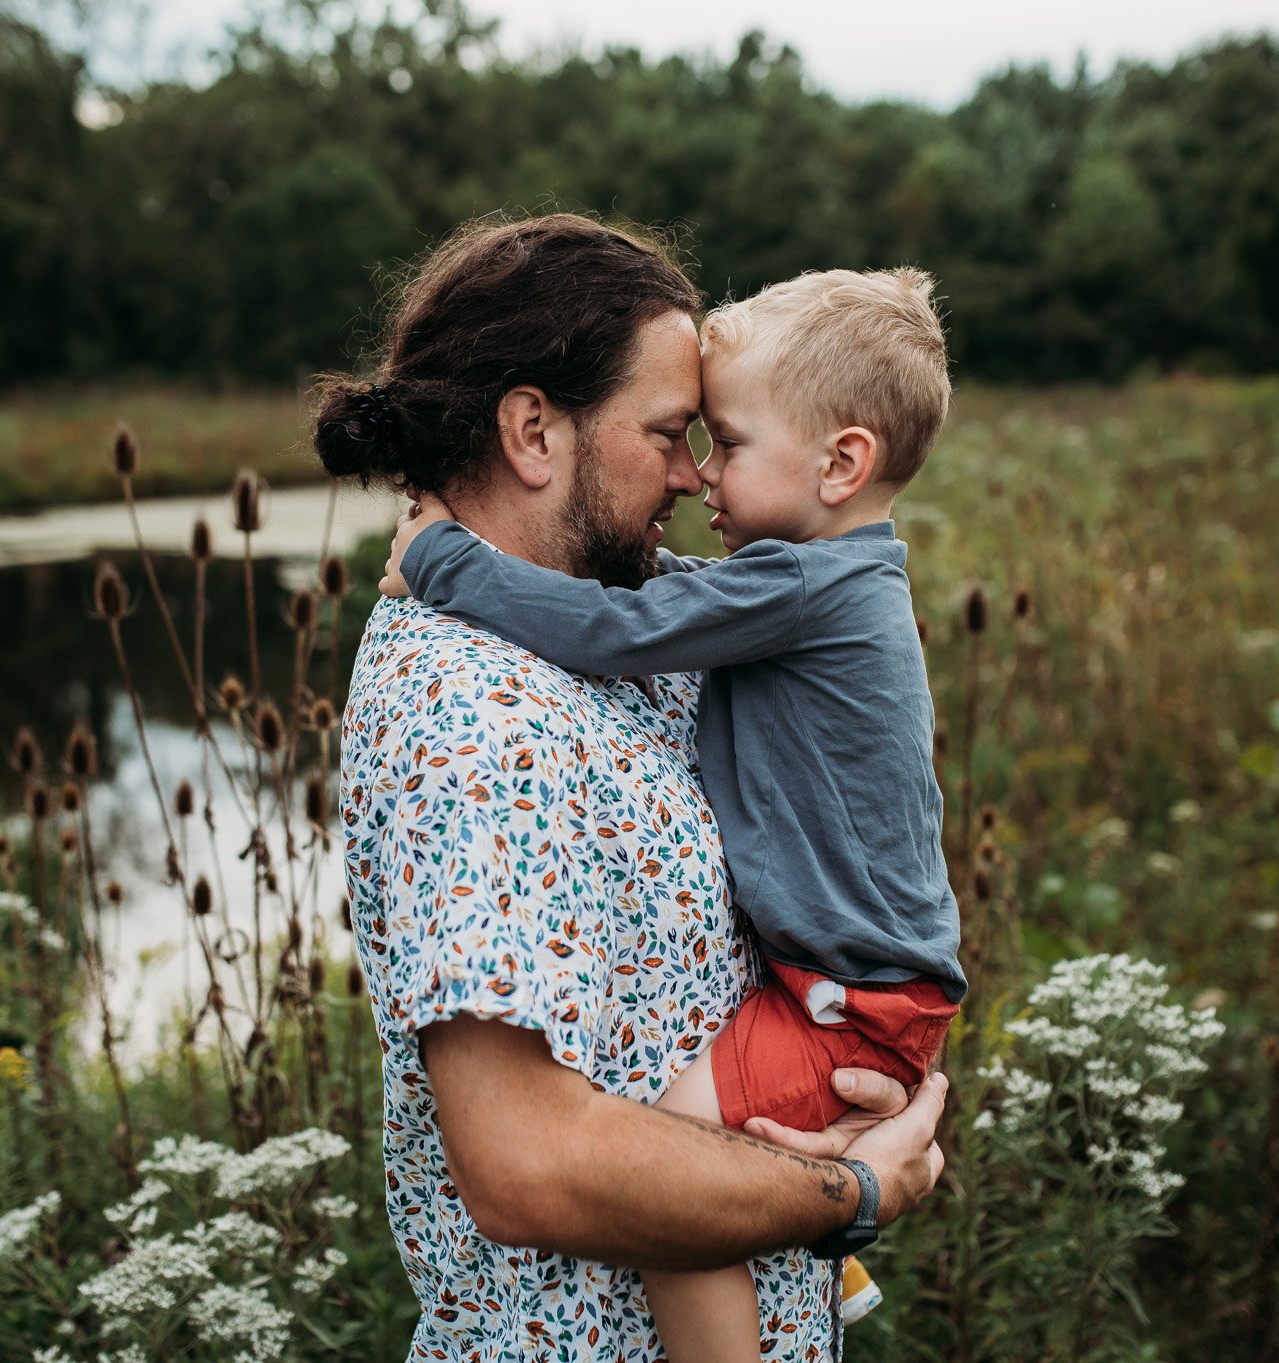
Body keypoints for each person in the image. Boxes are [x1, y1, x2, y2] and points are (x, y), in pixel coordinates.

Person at [316, 214, 950, 1360]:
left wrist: (867, 1076)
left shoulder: (635, 602)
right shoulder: (472, 720)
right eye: (668, 433)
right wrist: (848, 1195)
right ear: (530, 431)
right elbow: (526, 1167)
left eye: (710, 437)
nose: (691, 473)